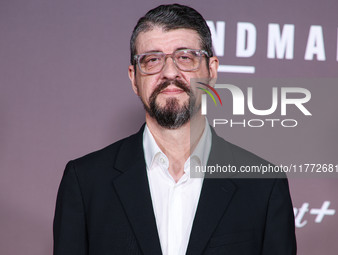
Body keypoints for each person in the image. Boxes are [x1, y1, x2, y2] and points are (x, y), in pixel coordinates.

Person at [53, 4, 296, 255]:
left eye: (185, 58)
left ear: (211, 71)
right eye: (152, 60)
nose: (169, 72)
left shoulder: (264, 184)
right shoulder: (85, 182)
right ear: (133, 78)